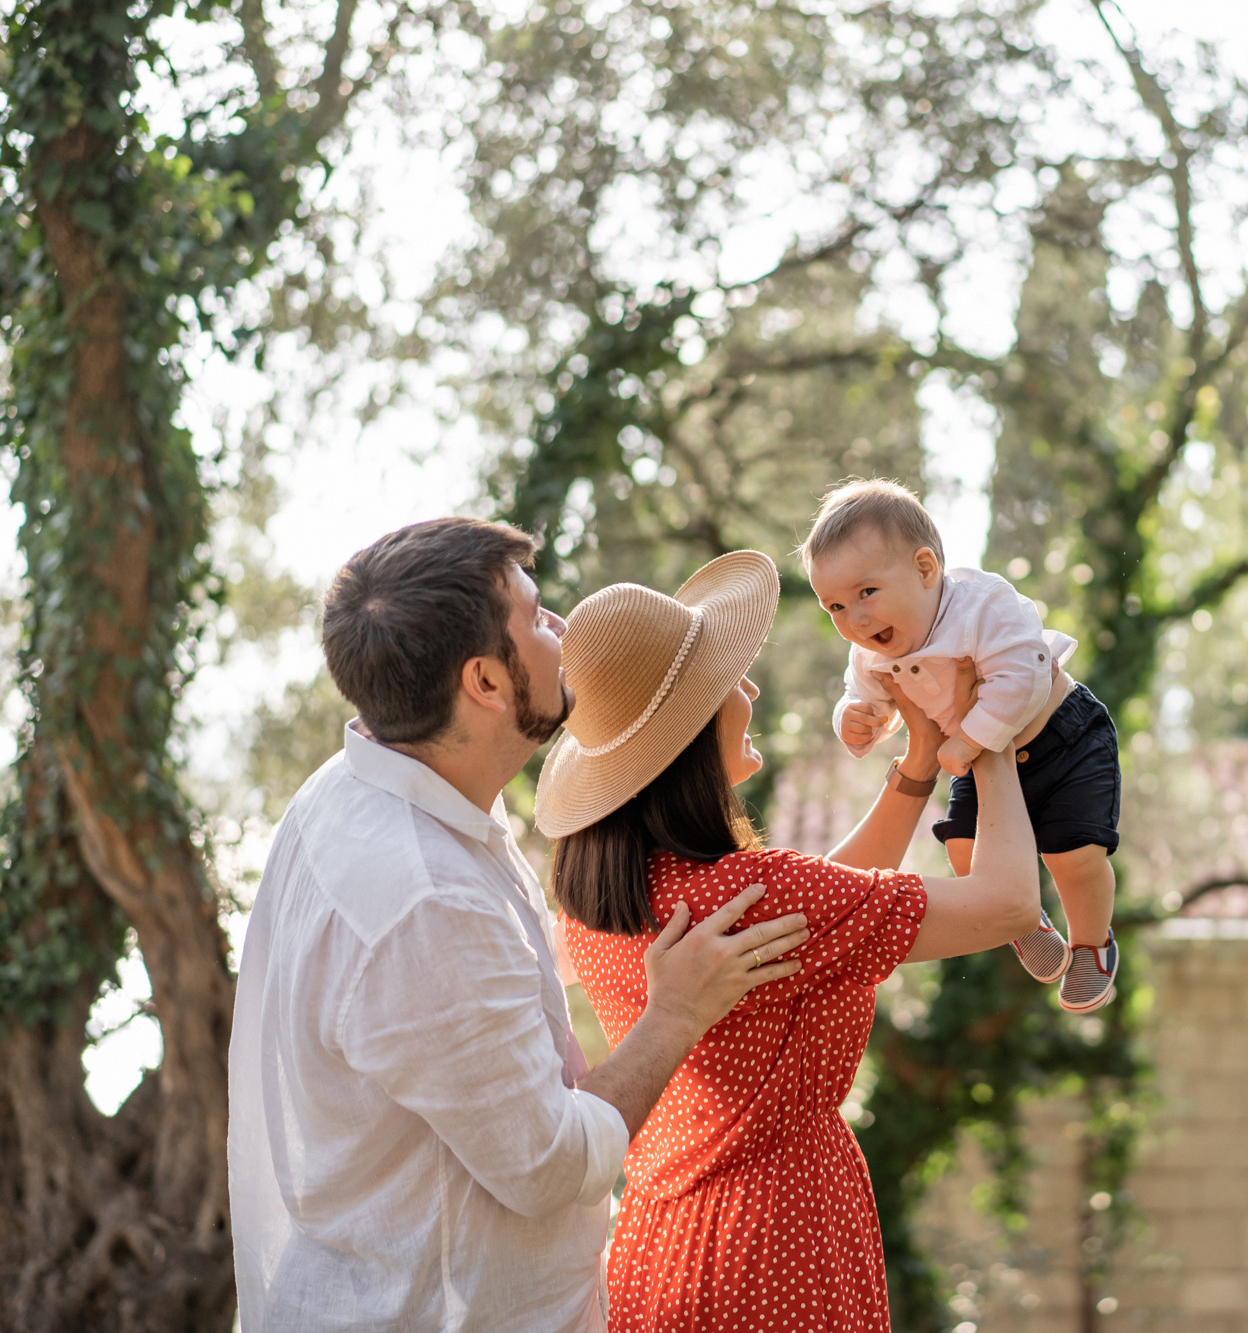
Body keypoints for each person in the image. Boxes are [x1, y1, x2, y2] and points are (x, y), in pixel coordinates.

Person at [227, 518, 812, 1333]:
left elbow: (462, 1001)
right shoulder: (424, 903)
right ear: (486, 681)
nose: (564, 629)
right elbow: (550, 1164)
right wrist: (674, 1014)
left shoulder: (365, 785)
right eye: (536, 618)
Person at [534, 549, 1041, 1333]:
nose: (751, 689)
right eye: (728, 679)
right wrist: (986, 729)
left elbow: (823, 911)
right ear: (691, 730)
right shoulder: (758, 893)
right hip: (779, 1246)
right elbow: (1007, 903)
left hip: (659, 1246)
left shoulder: (606, 899)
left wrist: (915, 771)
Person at [802, 478, 1124, 1013]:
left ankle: (1092, 945)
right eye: (834, 606)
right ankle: (1023, 918)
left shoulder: (982, 606)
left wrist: (971, 738)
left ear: (925, 569)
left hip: (1061, 737)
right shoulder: (870, 653)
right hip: (972, 759)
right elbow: (866, 697)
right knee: (963, 850)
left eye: (866, 593)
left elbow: (1024, 674)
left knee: (1073, 856)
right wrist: (854, 719)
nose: (853, 619)